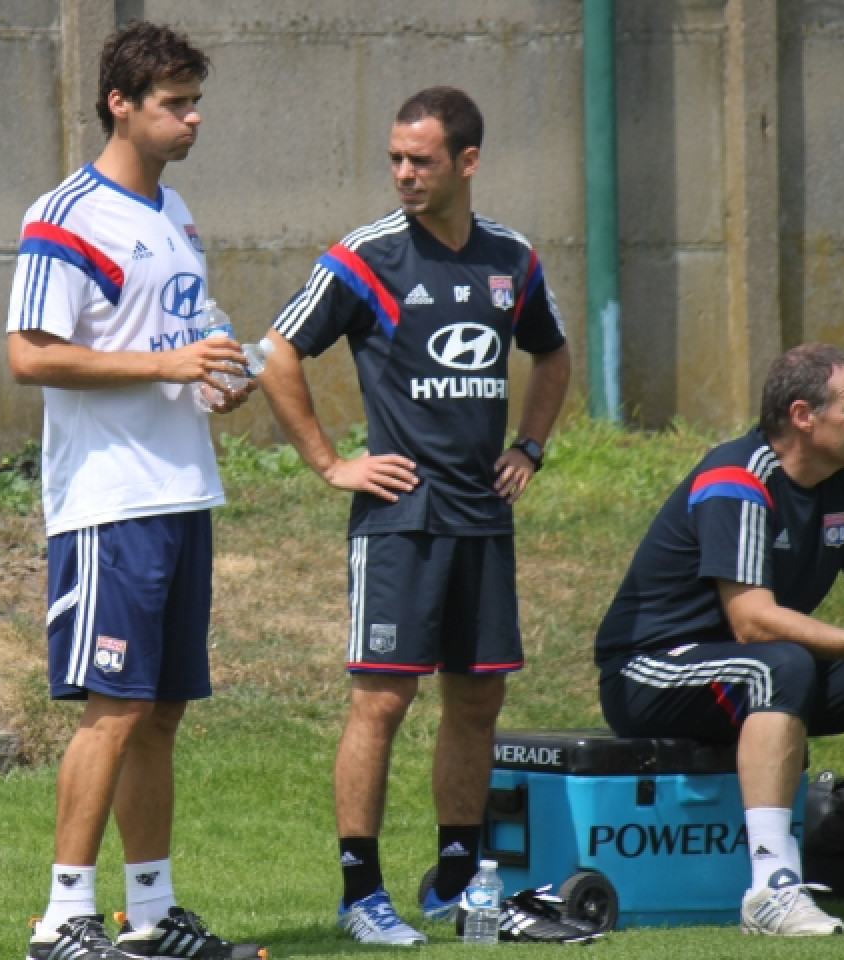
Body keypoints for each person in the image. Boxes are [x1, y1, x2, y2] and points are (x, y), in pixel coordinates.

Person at [258, 86, 585, 945]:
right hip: (400, 519)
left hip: (483, 517)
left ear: (466, 163)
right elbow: (277, 351)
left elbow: (551, 353)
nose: (404, 173)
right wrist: (332, 463)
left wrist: (531, 447)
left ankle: (452, 882)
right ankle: (360, 895)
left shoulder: (512, 257)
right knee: (382, 703)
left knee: (477, 702)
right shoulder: (367, 257)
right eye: (396, 158)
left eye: (422, 160)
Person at [6, 21, 263, 960]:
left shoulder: (176, 210)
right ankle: (63, 921)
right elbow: (29, 355)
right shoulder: (65, 214)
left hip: (181, 490)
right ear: (121, 103)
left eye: (197, 101)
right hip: (108, 501)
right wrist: (165, 360)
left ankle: (150, 919)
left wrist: (215, 375)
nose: (193, 119)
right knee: (112, 709)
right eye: (174, 103)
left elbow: (187, 333)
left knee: (161, 713)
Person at [595, 343, 844, 936]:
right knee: (780, 664)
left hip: (759, 669)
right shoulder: (738, 477)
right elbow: (752, 620)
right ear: (804, 415)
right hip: (648, 671)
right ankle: (771, 889)